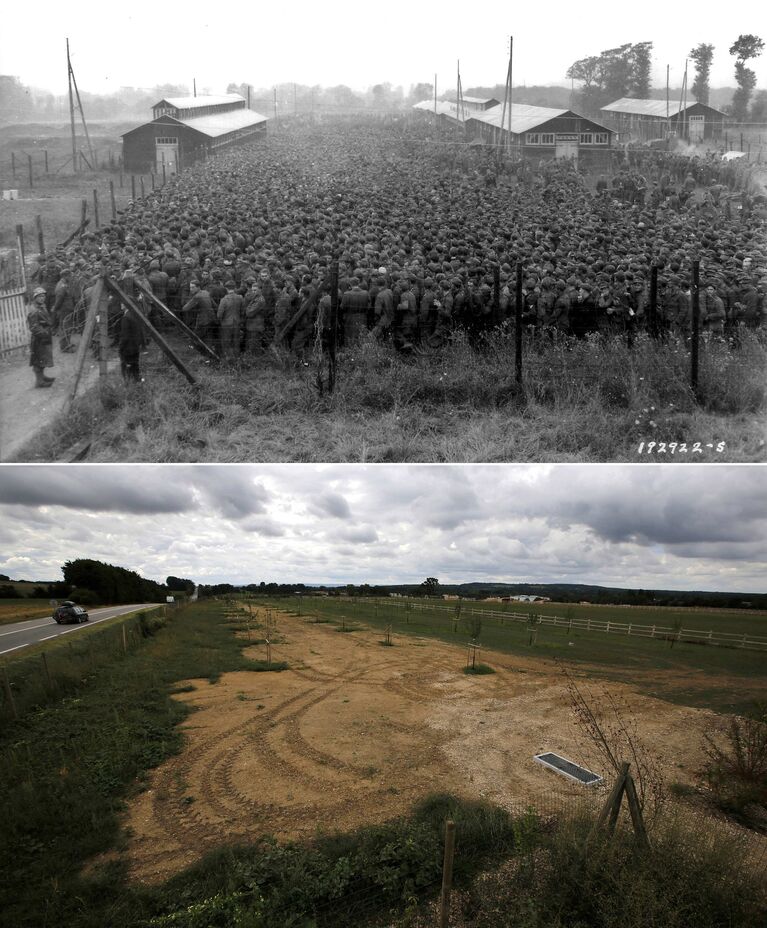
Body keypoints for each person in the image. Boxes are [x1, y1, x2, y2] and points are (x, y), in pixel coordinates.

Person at [27, 287, 55, 388]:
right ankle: (39, 382)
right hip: (39, 339)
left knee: (43, 358)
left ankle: (42, 377)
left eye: (43, 296)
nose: (42, 298)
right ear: (35, 298)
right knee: (38, 360)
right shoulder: (34, 310)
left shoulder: (41, 306)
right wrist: (44, 333)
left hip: (44, 337)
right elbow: (34, 327)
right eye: (40, 296)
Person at [216, 280, 243, 361]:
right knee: (236, 342)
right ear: (235, 288)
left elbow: (219, 315)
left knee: (226, 343)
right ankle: (237, 359)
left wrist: (220, 321)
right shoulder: (240, 298)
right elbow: (242, 311)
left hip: (226, 324)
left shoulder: (224, 300)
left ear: (226, 288)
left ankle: (228, 360)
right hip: (237, 323)